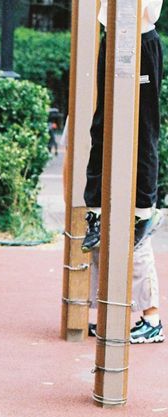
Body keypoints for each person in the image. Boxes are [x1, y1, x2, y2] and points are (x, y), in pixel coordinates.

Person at [80, 0, 163, 341]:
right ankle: (96, 210)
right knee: (102, 128)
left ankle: (143, 210)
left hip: (138, 38)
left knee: (142, 130)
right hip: (113, 36)